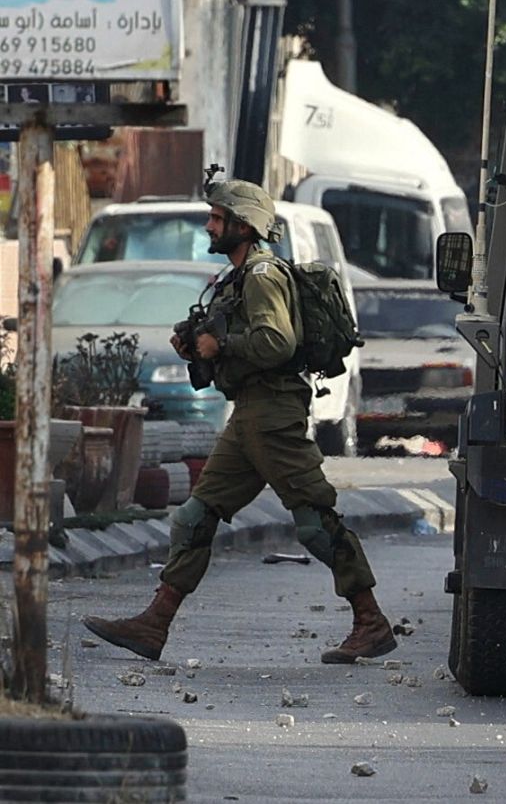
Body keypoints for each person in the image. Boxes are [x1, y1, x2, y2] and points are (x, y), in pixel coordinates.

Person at [83, 180, 397, 665]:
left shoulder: (262, 275)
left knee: (315, 521)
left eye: (216, 217)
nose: (209, 225)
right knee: (194, 517)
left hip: (272, 416)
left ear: (243, 225)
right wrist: (199, 345)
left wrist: (221, 346)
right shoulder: (235, 277)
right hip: (249, 414)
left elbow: (277, 342)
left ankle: (370, 621)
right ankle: (154, 624)